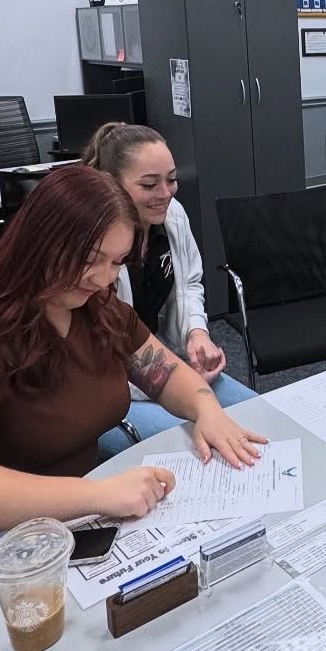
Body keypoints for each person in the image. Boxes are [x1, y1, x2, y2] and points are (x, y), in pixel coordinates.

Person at [0, 163, 267, 651]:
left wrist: (206, 409)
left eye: (115, 263)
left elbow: (164, 373)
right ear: (40, 243)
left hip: (55, 527)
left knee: (159, 609)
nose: (104, 278)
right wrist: (98, 497)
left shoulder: (95, 309)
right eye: (91, 260)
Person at [81, 122, 256, 439]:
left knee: (255, 416)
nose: (165, 194)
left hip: (153, 361)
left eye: (172, 180)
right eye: (149, 185)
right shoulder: (91, 252)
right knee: (196, 445)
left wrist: (196, 335)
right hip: (106, 384)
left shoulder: (171, 215)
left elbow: (189, 283)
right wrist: (176, 377)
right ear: (110, 185)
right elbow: (102, 362)